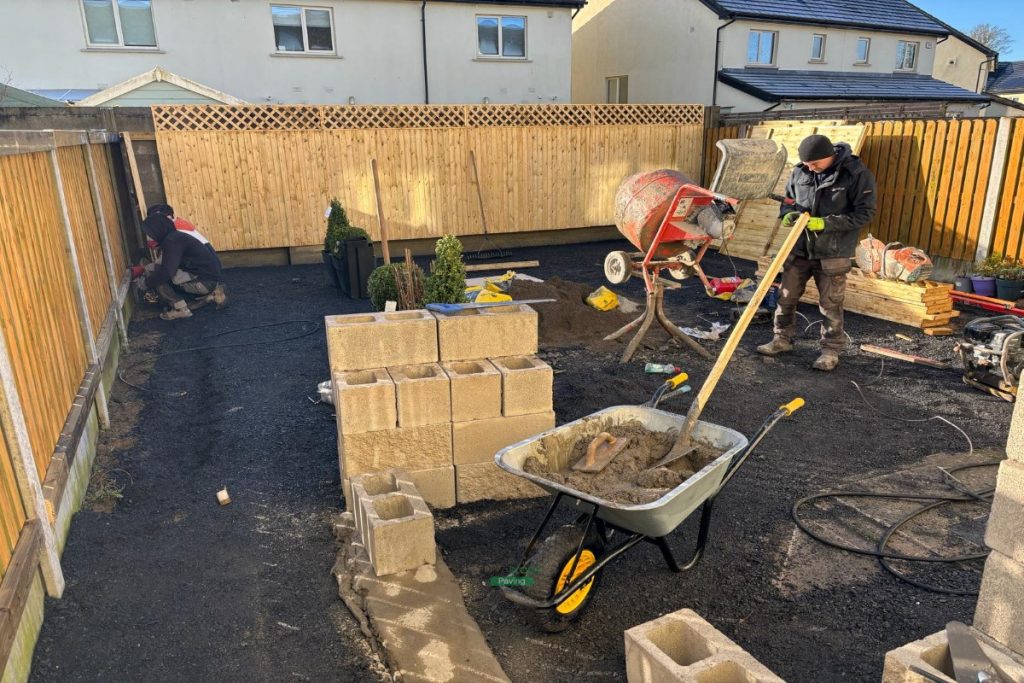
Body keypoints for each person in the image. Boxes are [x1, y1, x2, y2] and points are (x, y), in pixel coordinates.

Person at [756, 134, 877, 371]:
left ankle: (830, 351)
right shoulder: (801, 172)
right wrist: (787, 215)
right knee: (785, 297)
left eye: (815, 164)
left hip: (833, 251)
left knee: (830, 303)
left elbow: (865, 214)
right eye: (807, 164)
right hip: (800, 248)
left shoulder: (855, 174)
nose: (810, 168)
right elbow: (788, 201)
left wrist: (826, 223)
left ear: (830, 155)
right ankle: (781, 339)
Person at [131, 213, 227, 320]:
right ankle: (212, 294)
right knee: (158, 272)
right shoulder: (176, 236)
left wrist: (146, 283)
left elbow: (166, 271)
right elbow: (165, 263)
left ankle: (180, 309)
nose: (149, 238)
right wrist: (144, 269)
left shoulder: (171, 241)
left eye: (150, 234)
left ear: (157, 230)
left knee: (158, 276)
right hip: (210, 279)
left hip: (203, 282)